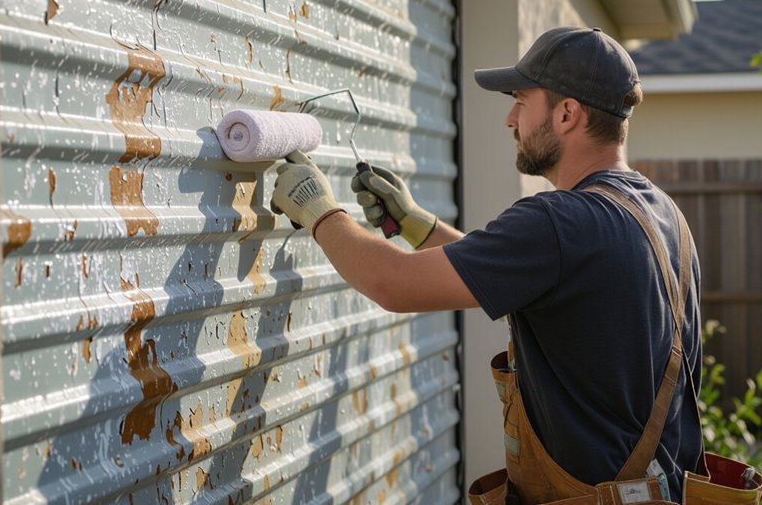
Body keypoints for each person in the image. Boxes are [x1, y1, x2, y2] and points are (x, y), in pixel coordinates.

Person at [269, 26, 704, 504]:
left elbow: (390, 284)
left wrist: (319, 210)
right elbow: (528, 278)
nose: (510, 119)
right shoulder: (661, 214)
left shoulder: (560, 222)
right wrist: (416, 226)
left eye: (521, 101)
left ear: (566, 113)